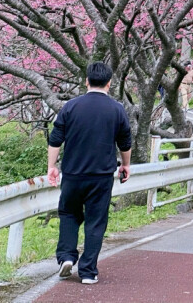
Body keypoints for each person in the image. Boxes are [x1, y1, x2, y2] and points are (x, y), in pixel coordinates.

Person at [47, 61, 132, 285]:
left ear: (86, 81)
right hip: (101, 175)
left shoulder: (70, 107)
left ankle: (66, 256)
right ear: (109, 83)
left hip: (73, 173)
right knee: (96, 221)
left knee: (68, 214)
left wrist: (52, 167)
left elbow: (55, 139)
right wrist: (125, 165)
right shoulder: (117, 109)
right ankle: (88, 272)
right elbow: (125, 142)